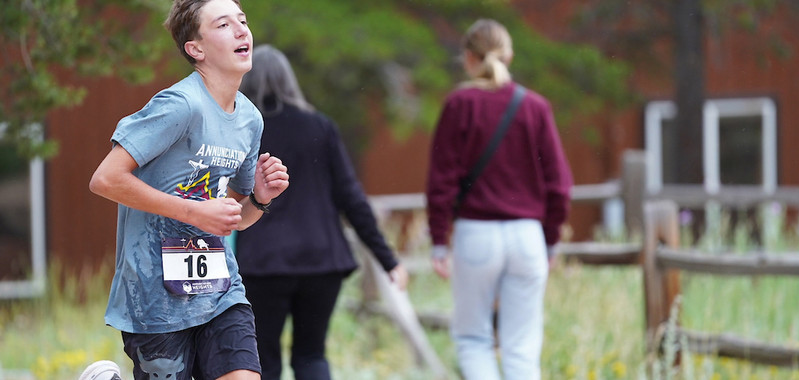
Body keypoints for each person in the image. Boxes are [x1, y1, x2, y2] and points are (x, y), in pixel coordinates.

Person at [82, 1, 289, 379]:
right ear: (196, 49)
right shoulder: (179, 105)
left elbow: (234, 219)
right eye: (224, 25)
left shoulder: (249, 119)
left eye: (243, 21)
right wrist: (194, 212)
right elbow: (106, 179)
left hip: (220, 291)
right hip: (154, 296)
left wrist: (259, 197)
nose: (242, 31)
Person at [234, 44, 409, 380]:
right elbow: (351, 198)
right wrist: (388, 259)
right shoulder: (320, 126)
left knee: (262, 358)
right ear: (289, 81)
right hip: (322, 260)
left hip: (263, 262)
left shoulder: (243, 130)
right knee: (312, 355)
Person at [425, 19, 573, 380]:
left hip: (476, 235)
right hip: (527, 237)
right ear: (509, 55)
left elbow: (441, 181)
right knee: (522, 348)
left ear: (469, 58)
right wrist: (550, 241)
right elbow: (559, 185)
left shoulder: (459, 104)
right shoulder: (535, 107)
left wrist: (439, 242)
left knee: (473, 339)